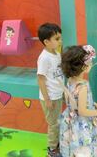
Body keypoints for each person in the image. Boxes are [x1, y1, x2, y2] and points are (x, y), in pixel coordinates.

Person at [59, 45, 97, 157]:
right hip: (82, 122)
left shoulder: (69, 80)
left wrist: (92, 104)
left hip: (70, 118)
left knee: (74, 145)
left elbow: (73, 100)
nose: (91, 64)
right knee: (88, 144)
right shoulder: (83, 86)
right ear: (83, 67)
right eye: (90, 62)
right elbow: (83, 111)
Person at [37, 23, 64, 157]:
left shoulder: (56, 53)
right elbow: (41, 79)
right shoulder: (44, 58)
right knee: (53, 124)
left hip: (58, 94)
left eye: (60, 38)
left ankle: (57, 144)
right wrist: (47, 99)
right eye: (57, 39)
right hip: (50, 97)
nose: (60, 41)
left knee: (58, 121)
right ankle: (52, 150)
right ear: (46, 42)